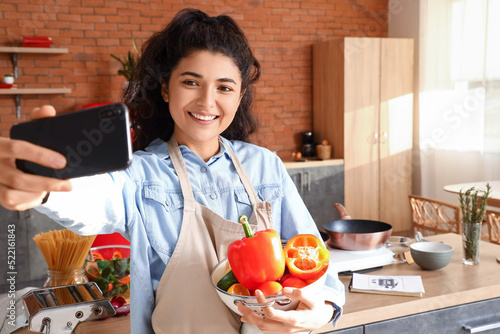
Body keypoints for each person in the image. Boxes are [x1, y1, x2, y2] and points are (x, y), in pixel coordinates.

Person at [0, 8, 348, 334]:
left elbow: (317, 267)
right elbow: (94, 199)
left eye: (225, 87)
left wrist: (319, 313)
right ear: (166, 88)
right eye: (191, 82)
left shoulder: (265, 166)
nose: (207, 102)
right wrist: (45, 185)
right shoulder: (141, 174)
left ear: (240, 96)